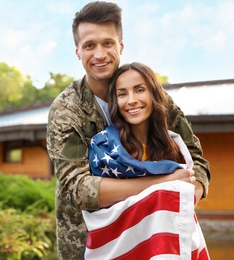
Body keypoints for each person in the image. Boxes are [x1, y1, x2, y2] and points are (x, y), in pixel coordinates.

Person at [46, 1, 211, 259]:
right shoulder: (67, 110)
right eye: (89, 45)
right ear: (78, 51)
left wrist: (186, 193)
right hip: (91, 244)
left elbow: (197, 162)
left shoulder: (153, 97)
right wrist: (160, 185)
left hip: (155, 241)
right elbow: (76, 188)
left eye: (107, 43)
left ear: (120, 45)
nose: (99, 54)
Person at [84, 62, 210, 259]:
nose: (131, 100)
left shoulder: (173, 147)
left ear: (154, 94)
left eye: (140, 90)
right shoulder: (105, 149)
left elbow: (186, 196)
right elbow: (101, 211)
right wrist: (164, 187)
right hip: (124, 247)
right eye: (122, 94)